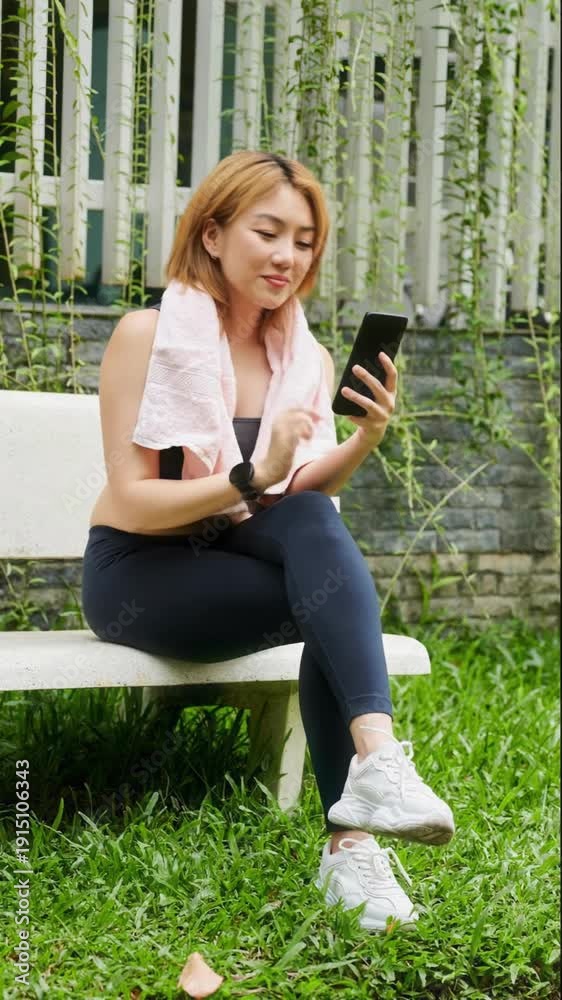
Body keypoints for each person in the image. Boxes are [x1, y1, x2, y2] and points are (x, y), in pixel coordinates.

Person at [82, 149, 454, 934]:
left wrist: (363, 439)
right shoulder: (148, 336)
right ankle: (362, 806)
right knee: (325, 594)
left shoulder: (304, 356)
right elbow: (133, 501)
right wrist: (252, 475)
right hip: (142, 575)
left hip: (242, 559)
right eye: (268, 232)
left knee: (317, 530)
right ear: (213, 235)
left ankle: (363, 802)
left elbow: (298, 494)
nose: (288, 256)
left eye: (305, 241)